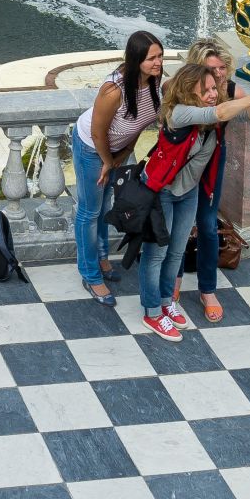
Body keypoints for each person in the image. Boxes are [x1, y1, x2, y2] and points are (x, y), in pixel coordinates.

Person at [136, 61, 250, 340]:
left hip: (188, 192)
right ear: (190, 91)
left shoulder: (212, 115)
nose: (214, 93)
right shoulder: (179, 113)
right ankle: (152, 313)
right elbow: (220, 111)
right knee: (156, 254)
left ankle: (167, 303)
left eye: (215, 88)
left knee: (176, 251)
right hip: (161, 192)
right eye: (207, 90)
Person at [72, 31, 165, 304]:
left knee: (105, 207)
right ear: (137, 59)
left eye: (160, 56)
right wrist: (106, 162)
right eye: (152, 58)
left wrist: (121, 157)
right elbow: (98, 132)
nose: (158, 62)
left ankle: (101, 258)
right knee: (89, 211)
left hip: (117, 152)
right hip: (92, 148)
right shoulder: (113, 90)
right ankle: (90, 274)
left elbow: (139, 125)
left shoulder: (154, 81)